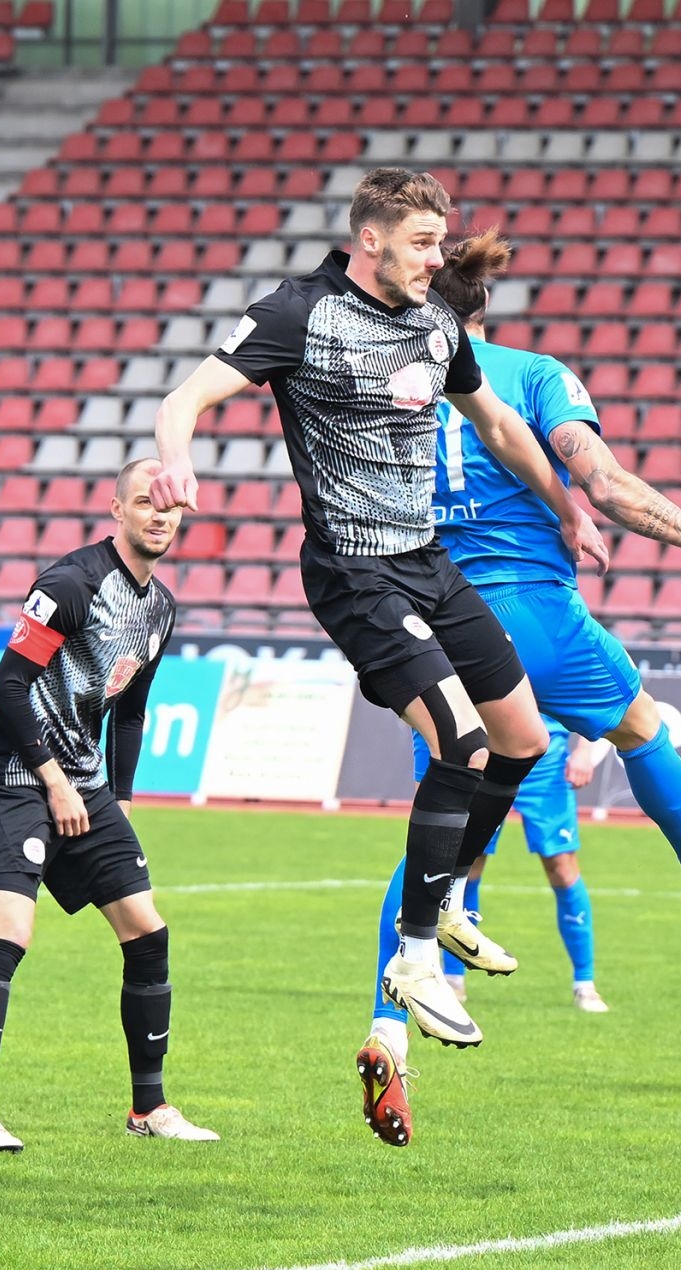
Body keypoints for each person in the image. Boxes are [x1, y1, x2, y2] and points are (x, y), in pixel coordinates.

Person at [153, 168, 611, 1057]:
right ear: (371, 239)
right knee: (460, 742)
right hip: (353, 571)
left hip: (427, 560)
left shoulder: (437, 323)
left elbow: (500, 427)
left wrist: (566, 507)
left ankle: (446, 899)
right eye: (422, 243)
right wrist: (178, 460)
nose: (438, 258)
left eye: (440, 241)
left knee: (521, 738)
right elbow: (184, 400)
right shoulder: (300, 312)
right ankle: (415, 957)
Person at [353, 229, 681, 1146]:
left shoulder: (390, 384)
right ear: (484, 307)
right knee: (641, 723)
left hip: (432, 624)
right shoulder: (531, 375)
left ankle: (390, 1024)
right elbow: (609, 485)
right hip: (532, 614)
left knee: (445, 826)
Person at [0, 458, 216, 1151]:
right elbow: (7, 687)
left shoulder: (160, 607)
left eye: (169, 507)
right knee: (11, 930)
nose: (159, 516)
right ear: (117, 509)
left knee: (148, 932)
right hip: (19, 775)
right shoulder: (70, 584)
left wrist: (119, 800)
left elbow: (129, 712)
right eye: (145, 503)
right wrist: (55, 781)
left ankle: (148, 1108)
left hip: (87, 784)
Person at [413, 718, 610, 1013]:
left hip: (545, 759)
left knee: (562, 867)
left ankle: (585, 983)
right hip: (486, 754)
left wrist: (585, 749)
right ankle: (454, 979)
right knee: (468, 863)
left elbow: (588, 694)